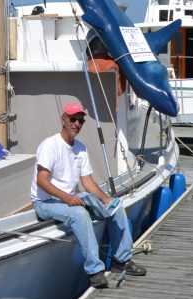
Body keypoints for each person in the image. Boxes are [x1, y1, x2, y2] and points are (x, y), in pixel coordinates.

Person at [31, 101, 147, 288]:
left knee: (115, 206)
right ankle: (95, 271)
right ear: (63, 119)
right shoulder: (49, 145)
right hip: (46, 202)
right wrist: (68, 198)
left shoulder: (81, 148)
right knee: (80, 214)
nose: (77, 124)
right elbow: (42, 181)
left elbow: (88, 182)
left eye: (81, 121)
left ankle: (121, 260)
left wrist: (105, 199)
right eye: (73, 119)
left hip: (69, 198)